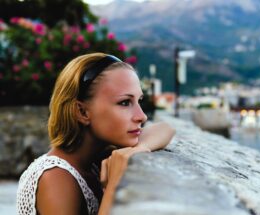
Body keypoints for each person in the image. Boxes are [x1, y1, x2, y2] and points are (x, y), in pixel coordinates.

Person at [16, 53, 175, 215]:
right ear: (82, 111)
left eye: (138, 101)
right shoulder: (55, 177)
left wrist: (139, 148)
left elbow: (166, 128)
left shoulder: (93, 161)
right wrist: (113, 186)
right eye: (125, 102)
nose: (142, 116)